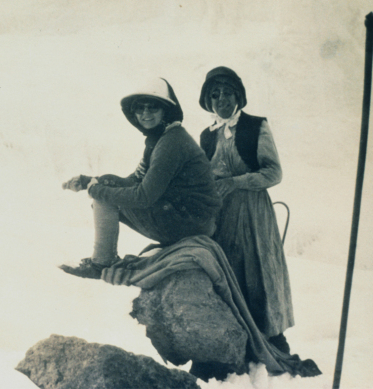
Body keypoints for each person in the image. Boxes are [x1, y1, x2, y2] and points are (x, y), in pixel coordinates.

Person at [60, 78, 222, 279]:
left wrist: (95, 190)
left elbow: (143, 196)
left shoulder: (172, 143)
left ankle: (101, 262)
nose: (145, 114)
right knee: (105, 185)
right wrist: (90, 181)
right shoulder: (162, 138)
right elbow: (136, 179)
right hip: (190, 219)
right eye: (140, 108)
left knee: (103, 196)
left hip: (191, 225)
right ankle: (103, 259)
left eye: (153, 107)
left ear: (165, 111)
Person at [198, 66, 294, 353]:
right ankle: (237, 342)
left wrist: (237, 183)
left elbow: (273, 173)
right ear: (208, 101)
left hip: (254, 214)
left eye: (227, 92)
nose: (221, 99)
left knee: (260, 271)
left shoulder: (256, 126)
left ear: (238, 96)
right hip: (222, 216)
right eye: (215, 94)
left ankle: (273, 340)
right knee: (230, 272)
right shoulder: (206, 135)